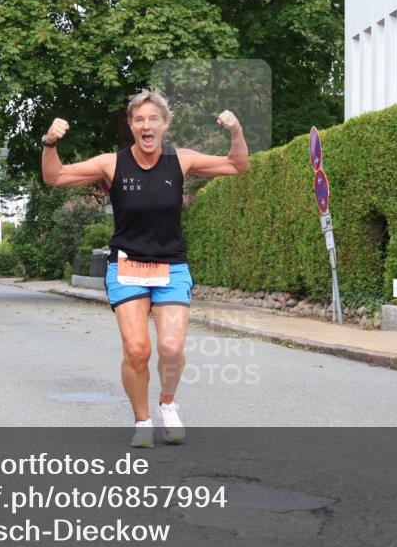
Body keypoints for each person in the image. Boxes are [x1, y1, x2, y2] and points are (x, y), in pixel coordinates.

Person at [41, 89, 248, 447]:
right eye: (139, 119)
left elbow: (236, 165)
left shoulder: (181, 161)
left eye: (154, 118)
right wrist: (49, 143)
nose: (146, 125)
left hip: (171, 267)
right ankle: (142, 421)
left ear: (165, 124)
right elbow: (55, 177)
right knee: (137, 349)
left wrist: (236, 132)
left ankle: (168, 404)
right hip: (126, 266)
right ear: (131, 125)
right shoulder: (112, 163)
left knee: (170, 348)